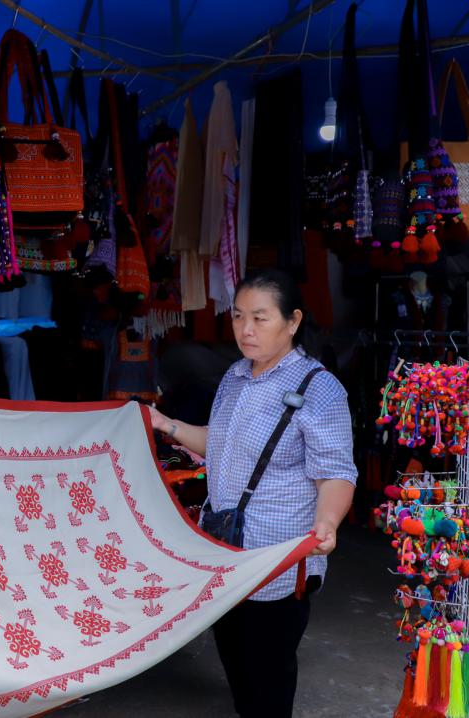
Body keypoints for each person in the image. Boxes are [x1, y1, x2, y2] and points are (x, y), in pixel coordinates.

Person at [148, 269, 356, 718]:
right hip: (224, 553)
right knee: (238, 667)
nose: (245, 329)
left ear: (293, 321)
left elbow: (336, 472)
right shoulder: (235, 376)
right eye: (239, 316)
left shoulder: (319, 390)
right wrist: (168, 426)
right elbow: (218, 445)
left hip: (277, 561)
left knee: (268, 677)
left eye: (260, 318)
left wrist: (329, 522)